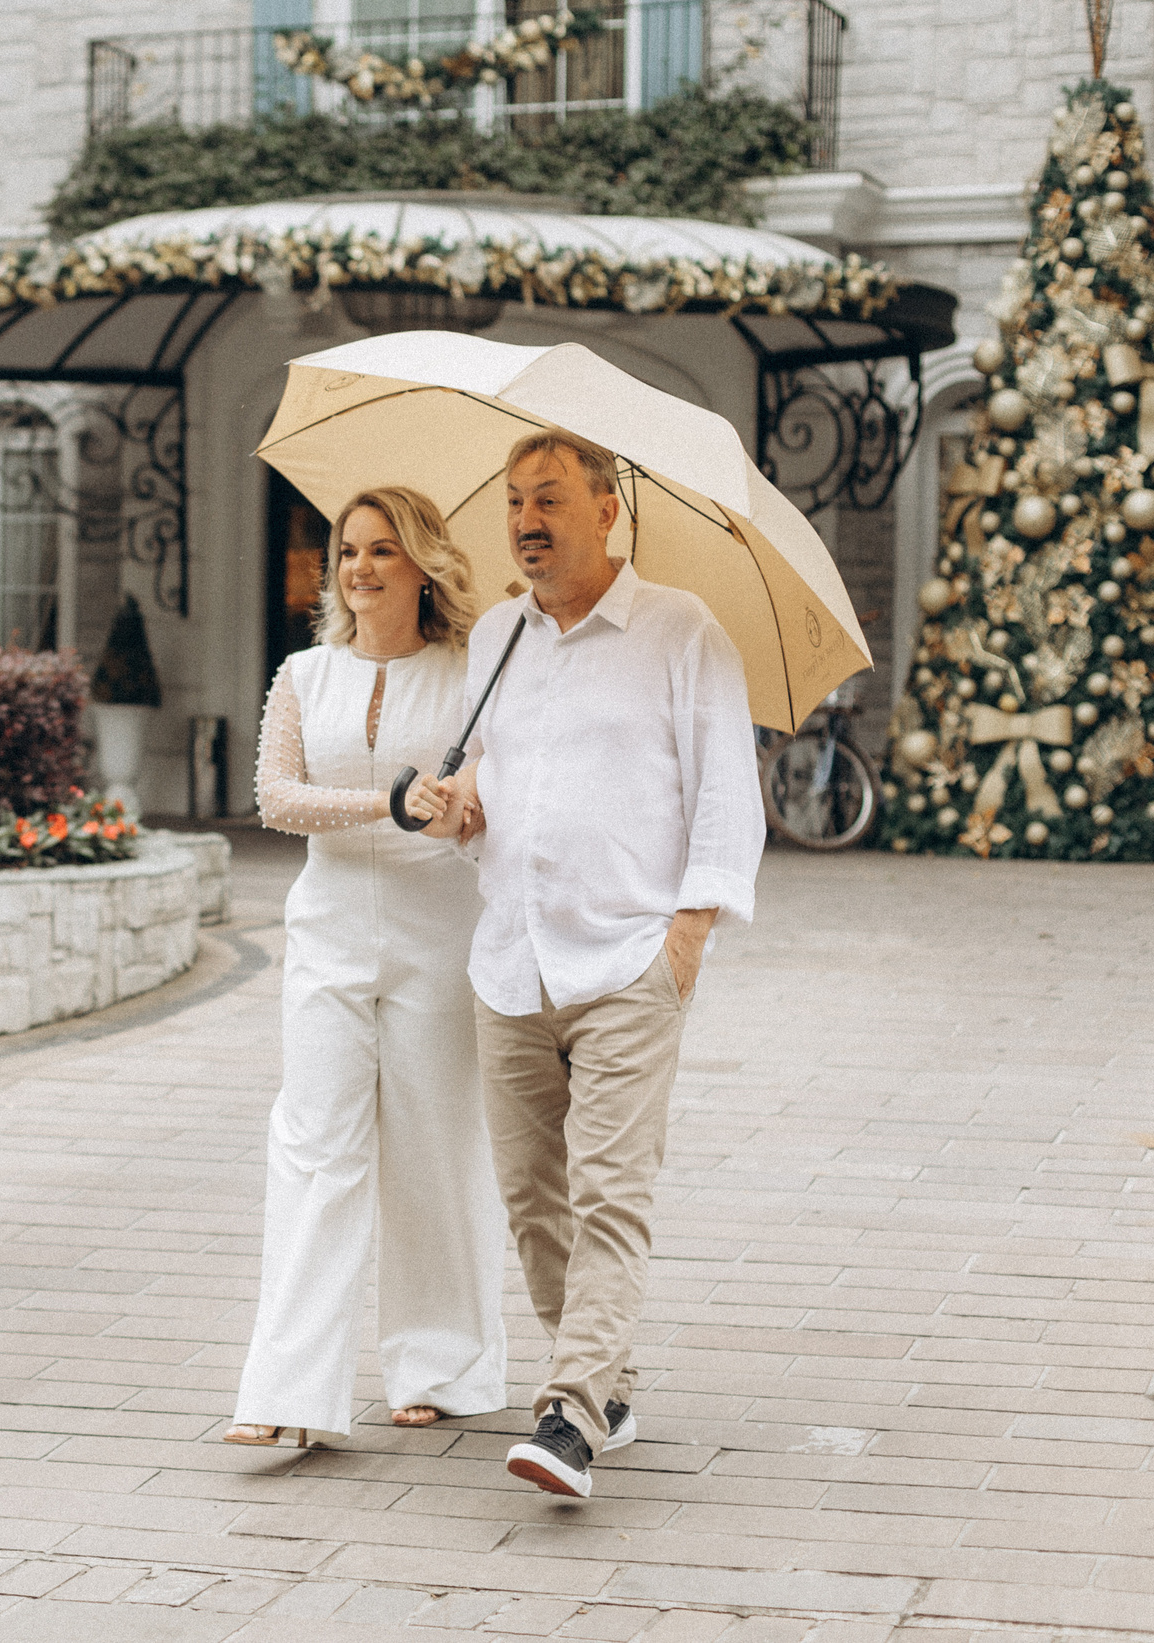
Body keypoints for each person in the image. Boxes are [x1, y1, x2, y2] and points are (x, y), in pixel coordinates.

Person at [408, 430, 764, 1498]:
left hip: (626, 956)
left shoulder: (679, 631)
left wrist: (687, 936)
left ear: (607, 512)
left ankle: (567, 1417)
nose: (526, 519)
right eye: (516, 499)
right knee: (531, 1200)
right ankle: (604, 1381)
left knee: (610, 1193)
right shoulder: (497, 640)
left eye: (550, 498)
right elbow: (492, 788)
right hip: (511, 956)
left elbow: (723, 792)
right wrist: (461, 810)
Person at [225, 486, 508, 1448]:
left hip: (441, 928)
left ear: (423, 565)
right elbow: (275, 796)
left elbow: (488, 801)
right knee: (313, 1142)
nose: (359, 567)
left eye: (383, 550)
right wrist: (386, 804)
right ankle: (286, 1390)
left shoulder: (472, 673)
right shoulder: (306, 673)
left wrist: (464, 804)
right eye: (348, 550)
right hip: (330, 929)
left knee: (436, 1143)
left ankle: (444, 1364)